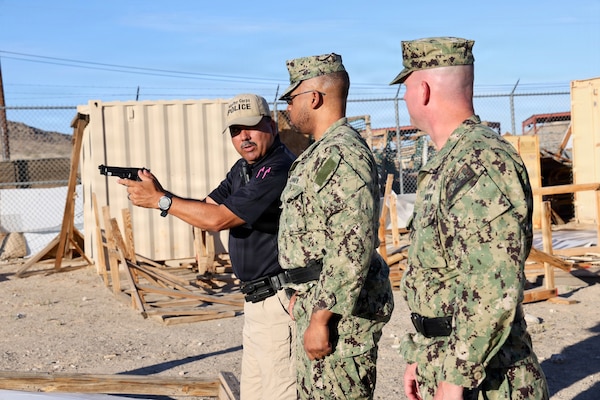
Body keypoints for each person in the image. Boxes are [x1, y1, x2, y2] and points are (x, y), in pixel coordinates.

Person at [390, 37, 549, 400]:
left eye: (407, 87)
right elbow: (443, 274)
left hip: (487, 379)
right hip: (447, 362)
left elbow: (493, 284)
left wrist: (455, 379)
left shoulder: (478, 162)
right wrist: (421, 354)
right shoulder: (450, 161)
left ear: (424, 90)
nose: (405, 98)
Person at [118, 93, 297, 400]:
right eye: (235, 130)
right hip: (256, 300)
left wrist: (161, 201)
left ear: (272, 125)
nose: (244, 137)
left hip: (278, 301)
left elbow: (218, 219)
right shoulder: (242, 169)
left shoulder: (277, 168)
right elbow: (205, 208)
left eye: (251, 127)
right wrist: (161, 193)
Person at [277, 53, 395, 399]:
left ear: (313, 98)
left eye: (291, 98)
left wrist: (321, 319)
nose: (287, 107)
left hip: (338, 318)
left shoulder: (342, 153)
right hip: (318, 303)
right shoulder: (322, 152)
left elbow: (351, 244)